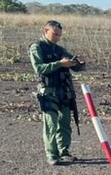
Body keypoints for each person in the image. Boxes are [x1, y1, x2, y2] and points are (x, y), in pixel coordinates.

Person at [29, 20, 85, 165]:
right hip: (48, 92)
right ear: (45, 31)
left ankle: (64, 152)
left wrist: (78, 63)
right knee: (51, 124)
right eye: (54, 34)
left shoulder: (60, 50)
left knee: (65, 123)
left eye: (59, 35)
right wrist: (60, 64)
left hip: (64, 92)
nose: (57, 38)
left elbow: (76, 66)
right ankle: (52, 155)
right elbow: (39, 68)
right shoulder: (37, 47)